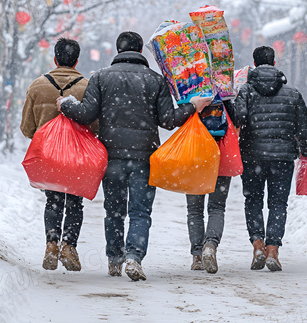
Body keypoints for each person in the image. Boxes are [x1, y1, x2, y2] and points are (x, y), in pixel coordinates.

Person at [58, 31, 212, 281]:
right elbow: (168, 120)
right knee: (141, 212)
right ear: (141, 51)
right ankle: (134, 256)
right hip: (144, 156)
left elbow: (86, 114)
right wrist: (192, 106)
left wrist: (66, 104)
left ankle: (115, 259)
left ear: (118, 51)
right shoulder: (155, 80)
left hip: (112, 155)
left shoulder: (100, 77)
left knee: (114, 210)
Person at [232, 46, 307, 272]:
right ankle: (273, 250)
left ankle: (257, 245)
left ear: (254, 64)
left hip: (252, 156)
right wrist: (306, 151)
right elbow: (304, 128)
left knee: (253, 201)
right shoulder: (292, 93)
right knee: (278, 203)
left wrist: (234, 98)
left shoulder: (246, 91)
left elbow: (238, 118)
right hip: (282, 158)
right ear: (274, 63)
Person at [21, 38, 96, 272]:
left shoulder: (37, 85)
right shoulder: (87, 86)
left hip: (48, 158)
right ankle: (69, 246)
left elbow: (26, 129)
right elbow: (95, 126)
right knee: (75, 202)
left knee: (53, 201)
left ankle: (51, 243)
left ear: (55, 58)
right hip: (77, 159)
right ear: (76, 60)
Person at [186, 101, 235, 274]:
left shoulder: (188, 90)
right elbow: (236, 120)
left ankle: (198, 255)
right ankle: (210, 246)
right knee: (217, 208)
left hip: (194, 154)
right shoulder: (225, 93)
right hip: (219, 154)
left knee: (194, 210)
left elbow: (176, 119)